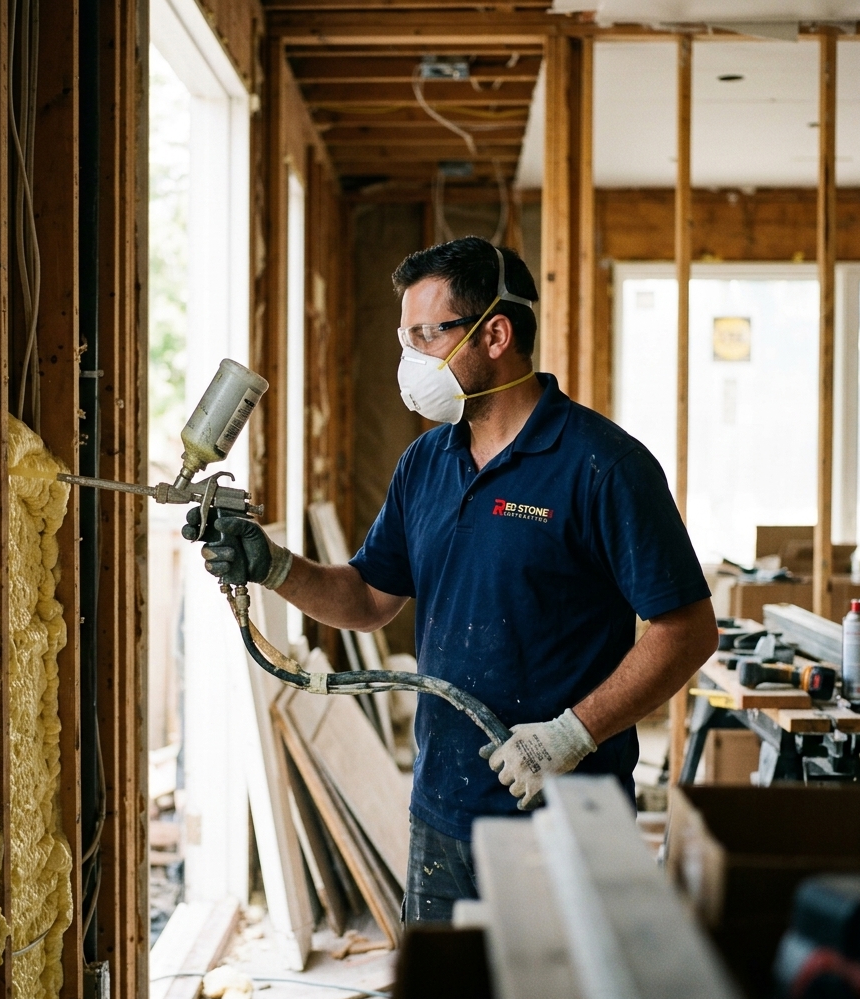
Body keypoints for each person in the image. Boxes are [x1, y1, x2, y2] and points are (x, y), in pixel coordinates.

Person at [184, 235, 718, 923]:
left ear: (495, 332)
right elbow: (369, 599)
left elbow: (687, 630)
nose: (409, 363)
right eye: (402, 340)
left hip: (567, 819)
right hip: (442, 810)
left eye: (424, 337)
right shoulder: (426, 463)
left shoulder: (603, 467)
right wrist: (275, 567)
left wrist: (569, 734)